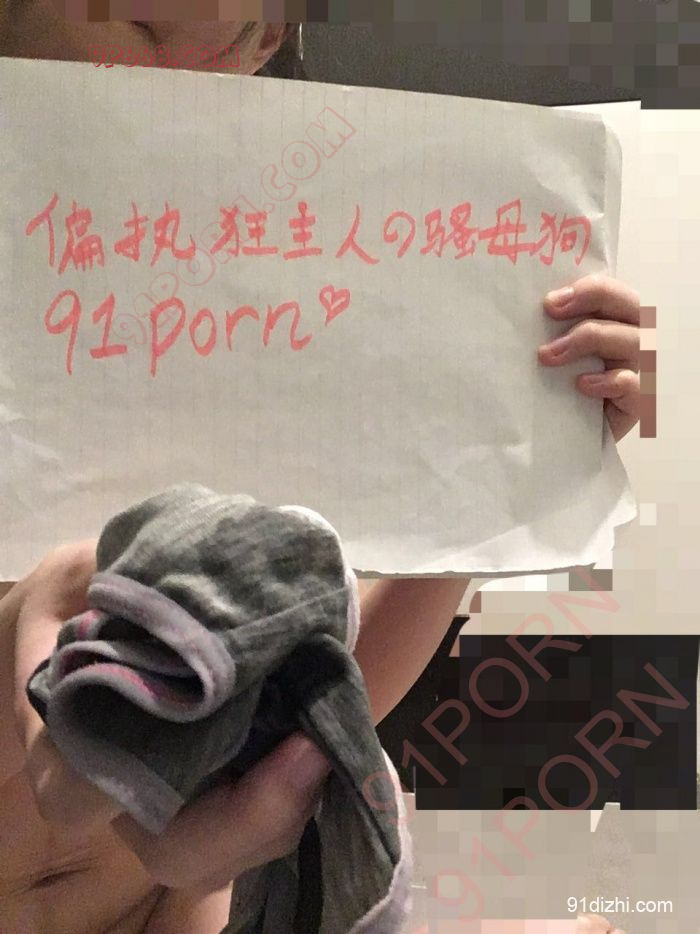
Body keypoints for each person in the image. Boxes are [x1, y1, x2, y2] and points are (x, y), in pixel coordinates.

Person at [0, 7, 641, 933]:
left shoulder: (256, 279)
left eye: (251, 39)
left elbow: (317, 669)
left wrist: (511, 453)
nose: (194, 76)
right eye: (144, 26)